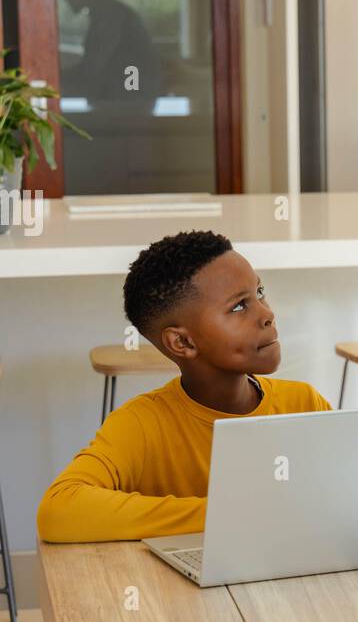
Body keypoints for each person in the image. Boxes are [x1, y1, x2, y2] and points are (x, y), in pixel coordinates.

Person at [38, 231, 331, 542]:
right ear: (182, 342)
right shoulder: (141, 425)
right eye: (238, 307)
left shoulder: (304, 404)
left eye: (259, 292)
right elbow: (59, 511)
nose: (267, 314)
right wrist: (227, 515)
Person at [61, 0, 161, 108]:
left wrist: (59, 77)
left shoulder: (109, 14)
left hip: (130, 96)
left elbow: (96, 63)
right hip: (125, 92)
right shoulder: (104, 11)